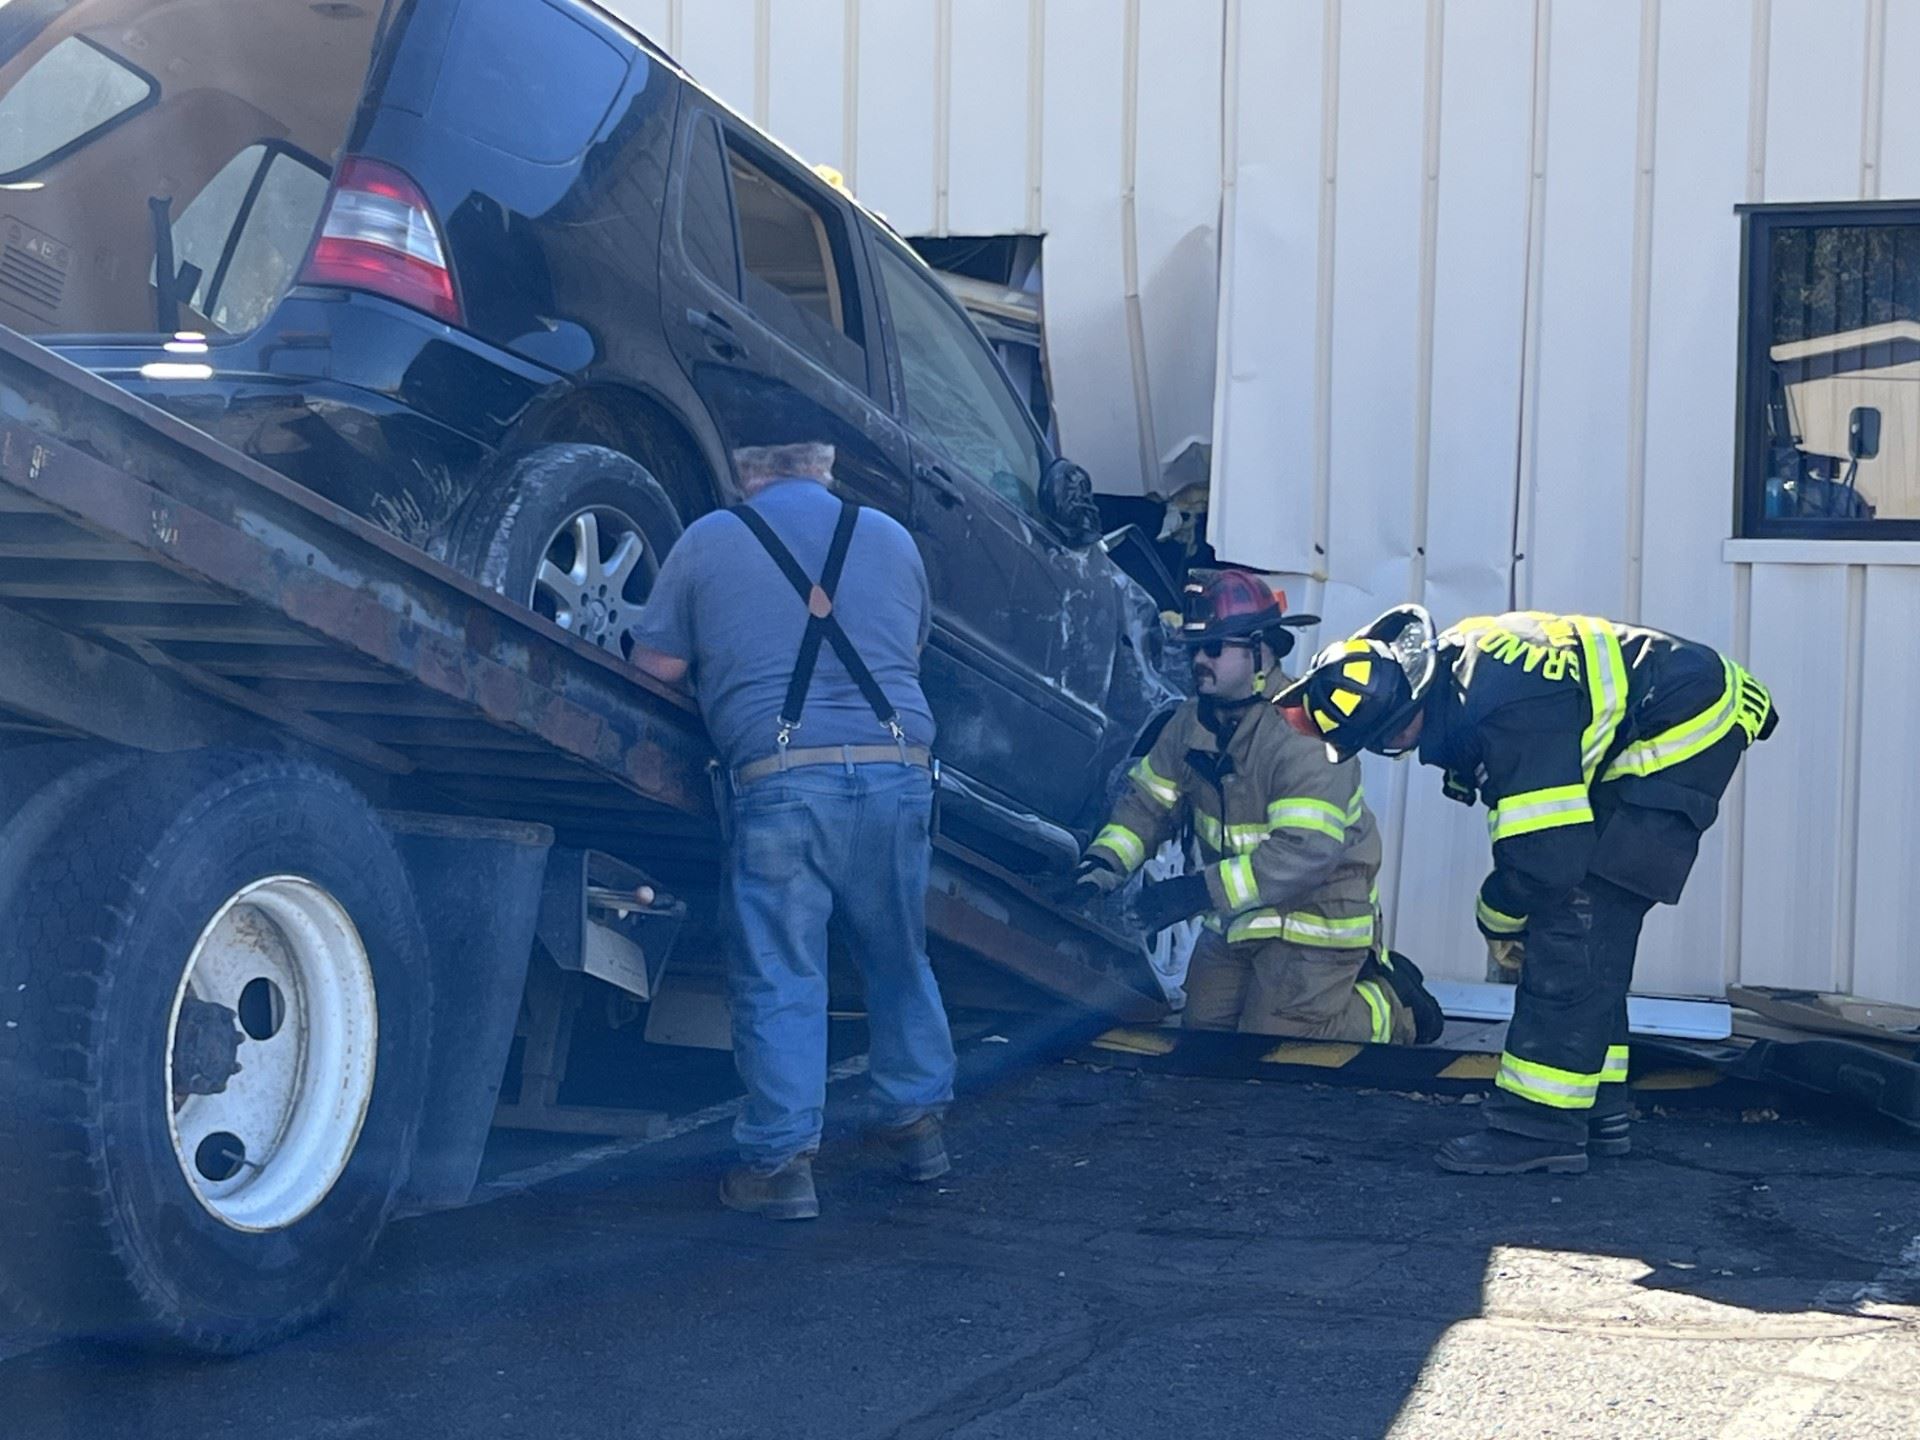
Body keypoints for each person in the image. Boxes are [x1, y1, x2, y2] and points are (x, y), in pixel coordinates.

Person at [1276, 607, 1778, 1175]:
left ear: (1406, 709)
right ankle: (1599, 1112)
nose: (1398, 748)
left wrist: (1499, 915)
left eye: (1387, 738)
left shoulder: (1503, 711)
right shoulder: (1459, 669)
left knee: (1576, 923)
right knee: (1594, 934)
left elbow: (1548, 862)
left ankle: (1537, 1128)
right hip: (1671, 705)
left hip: (1688, 722)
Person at [630, 441, 954, 1220]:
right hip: (898, 771)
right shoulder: (892, 539)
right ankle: (916, 1129)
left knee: (781, 970)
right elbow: (906, 650)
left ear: (747, 473)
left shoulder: (709, 537)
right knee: (897, 955)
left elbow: (655, 671)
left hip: (782, 782)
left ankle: (780, 1168)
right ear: (825, 468)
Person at [1071, 570, 1444, 1045]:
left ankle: (1393, 1006)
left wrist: (1194, 892)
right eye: (1193, 649)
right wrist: (1101, 868)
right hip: (1240, 917)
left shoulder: (1306, 729)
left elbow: (1305, 853)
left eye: (1214, 647)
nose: (1198, 660)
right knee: (1206, 1034)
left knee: (1277, 1036)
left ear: (1261, 650)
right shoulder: (1190, 724)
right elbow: (1147, 804)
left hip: (1317, 920)